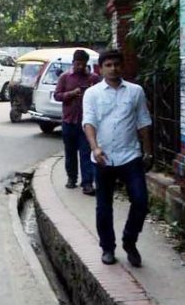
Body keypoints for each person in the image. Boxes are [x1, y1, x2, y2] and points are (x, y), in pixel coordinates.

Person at [82, 50, 153, 267]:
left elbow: (143, 122)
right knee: (104, 207)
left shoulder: (135, 91)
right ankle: (107, 248)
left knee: (140, 201)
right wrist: (95, 148)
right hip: (103, 158)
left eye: (117, 65)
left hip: (130, 155)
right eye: (108, 65)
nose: (113, 69)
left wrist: (148, 151)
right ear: (101, 69)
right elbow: (89, 122)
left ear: (123, 67)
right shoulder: (92, 94)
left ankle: (130, 241)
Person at [54, 50, 100, 195]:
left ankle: (87, 183)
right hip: (69, 121)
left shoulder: (93, 78)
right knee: (70, 153)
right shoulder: (65, 77)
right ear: (73, 63)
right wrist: (71, 94)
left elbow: (101, 95)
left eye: (82, 64)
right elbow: (57, 95)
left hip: (86, 123)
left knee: (86, 153)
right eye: (77, 64)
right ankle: (71, 179)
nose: (80, 67)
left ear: (86, 64)